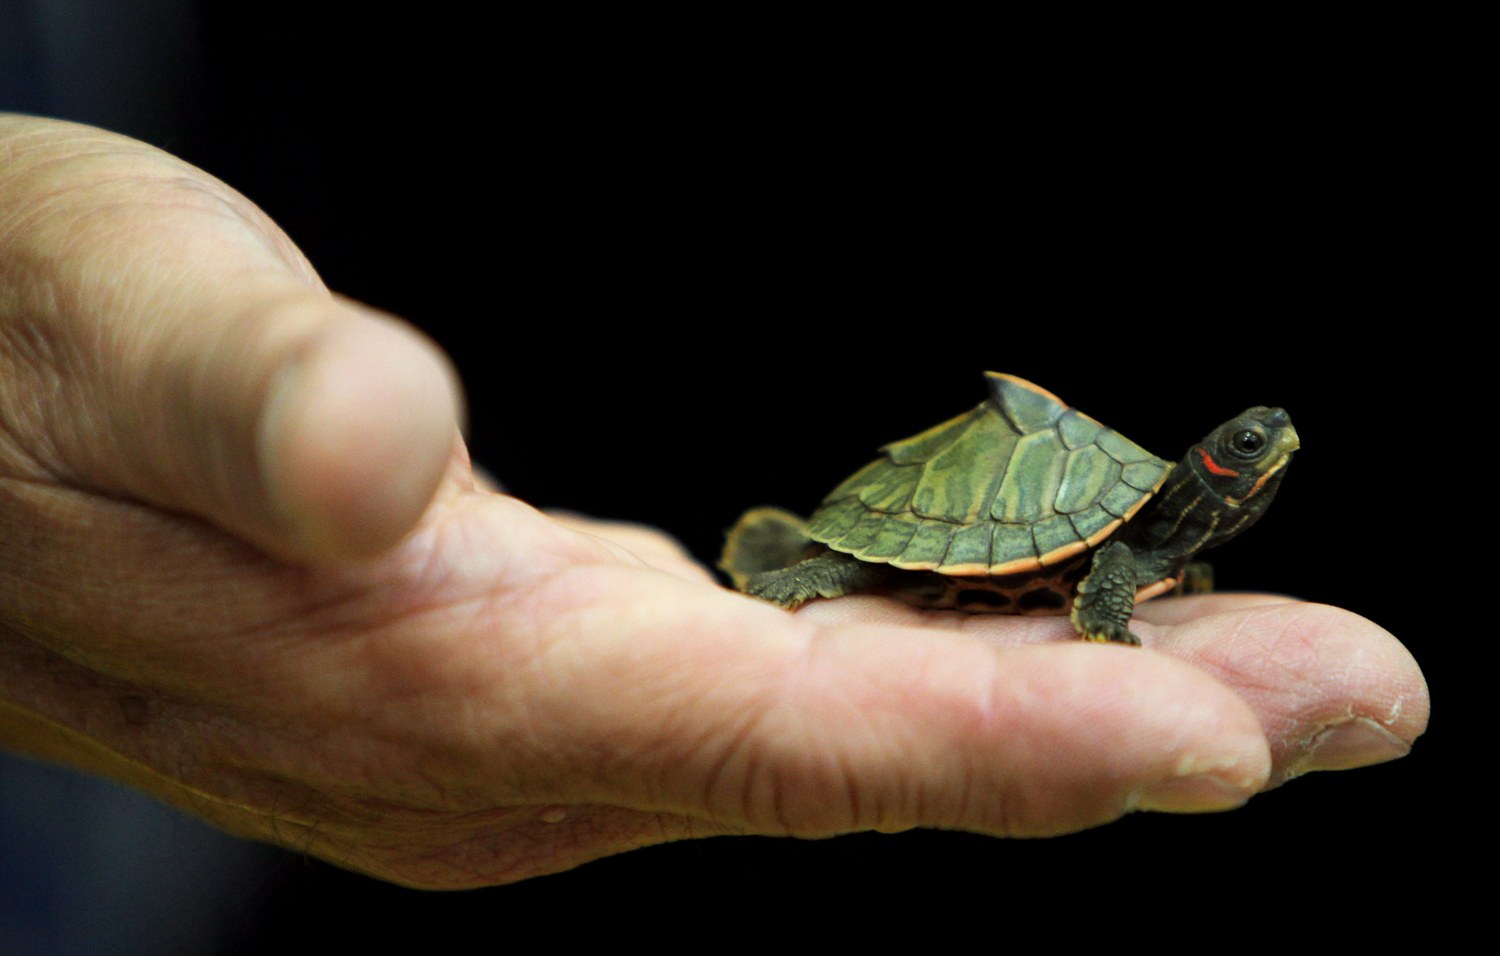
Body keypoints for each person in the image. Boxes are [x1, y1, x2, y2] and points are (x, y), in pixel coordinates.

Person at [0, 114, 1429, 889]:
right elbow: (1107, 564)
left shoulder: (1155, 511)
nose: (1260, 448)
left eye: (1260, 448)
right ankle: (807, 562)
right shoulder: (1124, 531)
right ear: (1207, 468)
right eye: (1245, 445)